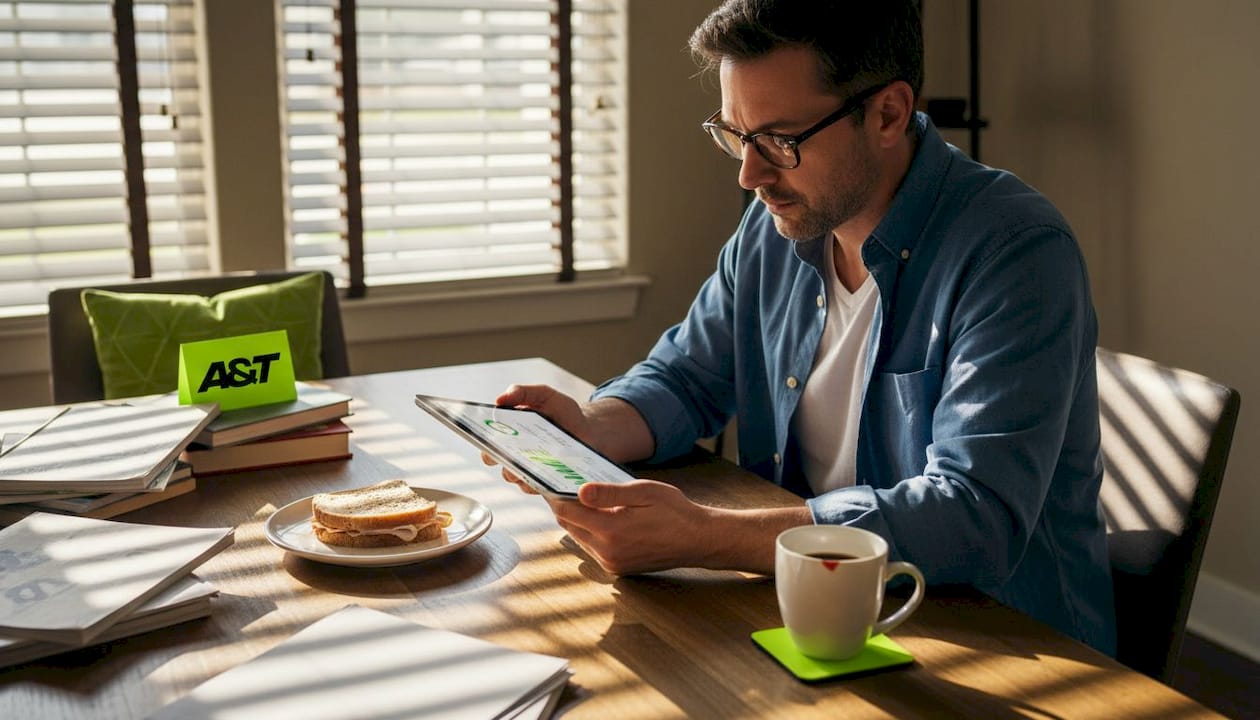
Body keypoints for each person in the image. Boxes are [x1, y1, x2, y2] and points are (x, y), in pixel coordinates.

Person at [489, 0, 1116, 655]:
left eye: (780, 142)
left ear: (889, 114)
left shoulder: (1014, 252)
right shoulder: (777, 225)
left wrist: (705, 533)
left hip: (996, 636)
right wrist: (595, 425)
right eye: (736, 135)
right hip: (816, 609)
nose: (749, 174)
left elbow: (972, 514)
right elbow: (689, 375)